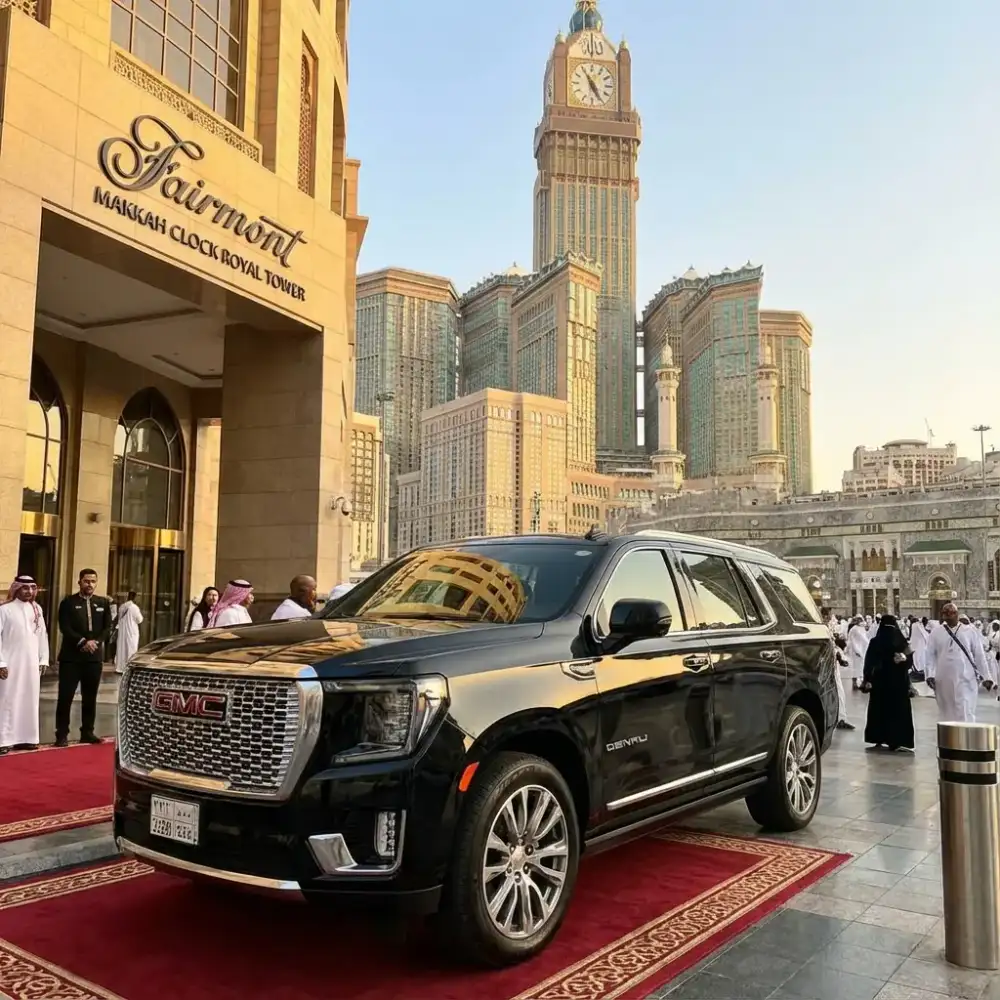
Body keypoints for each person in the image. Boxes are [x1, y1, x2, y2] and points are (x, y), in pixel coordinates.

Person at [55, 568, 112, 747]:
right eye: (86, 581)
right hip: (72, 658)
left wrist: (96, 642)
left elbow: (108, 627)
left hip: (93, 659)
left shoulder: (103, 602)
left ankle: (87, 732)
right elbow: (65, 626)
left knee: (90, 697)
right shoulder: (68, 602)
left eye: (93, 581)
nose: (90, 584)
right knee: (66, 696)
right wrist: (82, 641)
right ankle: (61, 734)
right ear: (79, 582)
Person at [0, 576, 49, 753]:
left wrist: (43, 659)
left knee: (30, 699)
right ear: (17, 588)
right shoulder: (4, 610)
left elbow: (42, 635)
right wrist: (1, 663)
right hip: (10, 663)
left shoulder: (37, 609)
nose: (29, 591)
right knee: (7, 700)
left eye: (32, 588)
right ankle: (4, 740)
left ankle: (27, 738)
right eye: (25, 588)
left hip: (31, 664)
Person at [926, 602, 990, 722]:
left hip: (966, 678)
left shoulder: (970, 631)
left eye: (951, 613)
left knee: (965, 709)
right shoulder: (936, 632)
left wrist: (986, 676)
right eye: (945, 613)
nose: (948, 616)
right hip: (943, 679)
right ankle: (950, 739)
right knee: (947, 711)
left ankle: (967, 738)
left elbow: (979, 655)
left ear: (956, 614)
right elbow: (930, 655)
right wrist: (930, 675)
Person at [862, 614, 915, 752]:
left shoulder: (875, 642)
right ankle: (897, 740)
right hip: (898, 683)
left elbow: (868, 662)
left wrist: (867, 678)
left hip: (879, 683)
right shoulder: (901, 642)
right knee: (897, 711)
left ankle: (878, 737)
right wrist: (903, 659)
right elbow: (910, 660)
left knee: (879, 710)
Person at [114, 591, 143, 673]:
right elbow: (139, 620)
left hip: (122, 632)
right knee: (131, 649)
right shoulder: (134, 607)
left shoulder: (122, 607)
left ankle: (120, 667)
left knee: (121, 649)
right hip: (131, 632)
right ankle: (129, 667)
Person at [847, 616, 869, 691]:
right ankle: (854, 683)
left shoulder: (861, 628)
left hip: (861, 650)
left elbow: (865, 639)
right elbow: (852, 641)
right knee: (856, 667)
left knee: (861, 667)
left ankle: (861, 681)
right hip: (856, 651)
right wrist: (857, 651)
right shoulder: (854, 629)